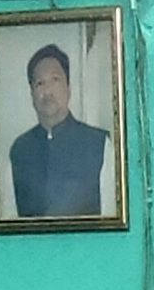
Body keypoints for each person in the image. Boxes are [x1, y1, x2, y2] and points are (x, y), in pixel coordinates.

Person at [8, 42, 109, 218]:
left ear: (68, 88)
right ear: (32, 95)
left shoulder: (100, 145)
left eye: (55, 80)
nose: (47, 91)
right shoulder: (19, 151)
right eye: (40, 83)